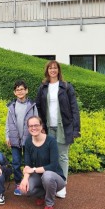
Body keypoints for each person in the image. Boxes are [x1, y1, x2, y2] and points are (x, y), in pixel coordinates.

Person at [35, 60, 81, 199]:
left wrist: (75, 129)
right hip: (48, 128)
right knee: (48, 157)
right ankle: (50, 184)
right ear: (47, 71)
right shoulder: (43, 87)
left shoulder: (66, 87)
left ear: (59, 70)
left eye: (55, 68)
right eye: (50, 68)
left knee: (62, 157)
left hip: (63, 127)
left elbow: (74, 109)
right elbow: (38, 106)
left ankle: (62, 185)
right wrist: (40, 126)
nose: (53, 70)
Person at [19, 116, 66, 209]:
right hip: (39, 176)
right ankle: (42, 194)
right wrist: (25, 179)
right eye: (30, 126)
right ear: (28, 128)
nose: (33, 128)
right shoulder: (28, 142)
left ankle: (49, 203)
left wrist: (34, 169)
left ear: (41, 126)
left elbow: (53, 165)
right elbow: (27, 164)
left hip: (55, 177)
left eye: (36, 125)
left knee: (47, 176)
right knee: (25, 190)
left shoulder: (51, 141)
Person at [5, 79, 38, 196]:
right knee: (16, 162)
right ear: (14, 92)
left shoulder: (32, 105)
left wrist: (36, 136)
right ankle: (19, 183)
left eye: (22, 89)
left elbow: (37, 121)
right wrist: (7, 136)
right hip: (14, 138)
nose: (20, 92)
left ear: (26, 90)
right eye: (17, 90)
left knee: (29, 162)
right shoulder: (11, 106)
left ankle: (30, 182)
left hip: (28, 139)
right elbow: (7, 123)